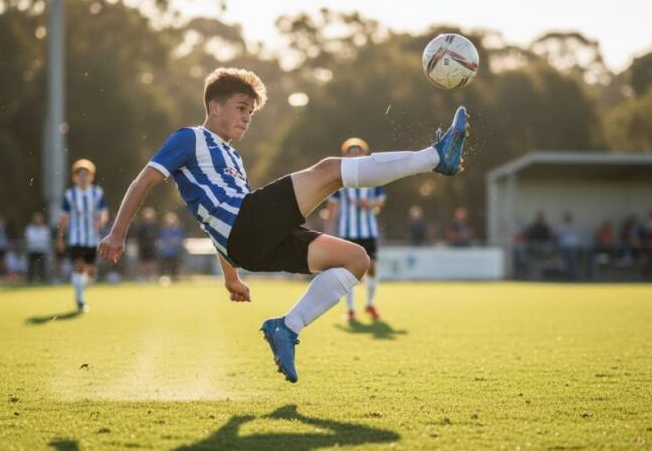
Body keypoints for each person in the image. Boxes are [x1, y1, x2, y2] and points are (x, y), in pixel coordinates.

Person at [98, 67, 470, 383]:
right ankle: (434, 158)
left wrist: (230, 276)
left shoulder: (232, 157)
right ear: (213, 106)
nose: (246, 117)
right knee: (328, 170)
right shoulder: (189, 138)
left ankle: (287, 328)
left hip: (247, 242)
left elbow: (218, 224)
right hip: (246, 227)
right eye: (241, 108)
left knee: (356, 260)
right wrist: (118, 231)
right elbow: (143, 180)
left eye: (251, 112)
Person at [325, 137, 386, 321]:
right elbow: (332, 207)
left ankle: (370, 304)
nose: (354, 156)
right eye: (351, 153)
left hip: (368, 231)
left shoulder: (373, 177)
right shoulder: (339, 179)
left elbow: (380, 202)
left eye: (358, 152)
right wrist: (328, 231)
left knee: (372, 268)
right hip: (347, 232)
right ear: (346, 155)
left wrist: (367, 204)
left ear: (364, 154)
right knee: (348, 272)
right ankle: (350, 309)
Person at [57, 159, 109, 312]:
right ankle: (80, 300)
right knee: (78, 268)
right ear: (75, 177)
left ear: (91, 176)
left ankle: (80, 289)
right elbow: (64, 218)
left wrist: (101, 222)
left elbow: (103, 213)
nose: (83, 177)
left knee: (91, 273)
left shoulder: (97, 193)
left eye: (86, 174)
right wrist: (60, 237)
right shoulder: (70, 194)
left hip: (92, 239)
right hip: (76, 238)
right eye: (80, 174)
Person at [134, 206, 160, 281]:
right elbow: (138, 238)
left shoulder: (155, 226)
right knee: (143, 263)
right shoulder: (140, 226)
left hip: (152, 247)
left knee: (153, 263)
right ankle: (142, 278)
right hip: (143, 247)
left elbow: (157, 236)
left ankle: (152, 278)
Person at [157, 211, 185, 281]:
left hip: (175, 253)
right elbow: (162, 241)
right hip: (165, 253)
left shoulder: (177, 230)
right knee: (165, 269)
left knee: (174, 270)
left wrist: (171, 241)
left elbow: (178, 241)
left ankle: (174, 280)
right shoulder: (163, 230)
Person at [25, 212, 51, 283]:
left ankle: (42, 279)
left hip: (42, 250)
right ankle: (30, 280)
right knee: (31, 266)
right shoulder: (29, 228)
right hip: (32, 250)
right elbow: (29, 239)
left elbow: (46, 240)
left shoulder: (45, 229)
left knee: (42, 266)